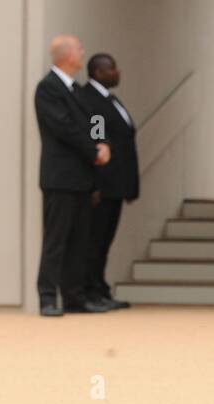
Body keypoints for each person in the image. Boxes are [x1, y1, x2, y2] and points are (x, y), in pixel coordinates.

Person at [34, 35, 112, 315]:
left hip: (81, 177)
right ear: (67, 56)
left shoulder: (76, 90)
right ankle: (47, 297)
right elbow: (64, 127)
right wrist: (94, 151)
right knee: (56, 239)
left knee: (79, 240)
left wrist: (101, 142)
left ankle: (74, 297)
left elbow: (96, 119)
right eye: (79, 50)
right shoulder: (48, 88)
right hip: (60, 177)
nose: (82, 54)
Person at [76, 53, 139, 309]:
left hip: (116, 185)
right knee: (95, 240)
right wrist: (97, 184)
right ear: (99, 71)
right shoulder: (90, 99)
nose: (117, 71)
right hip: (103, 185)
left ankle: (99, 287)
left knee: (104, 241)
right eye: (112, 68)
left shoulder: (108, 98)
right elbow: (98, 140)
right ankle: (90, 290)